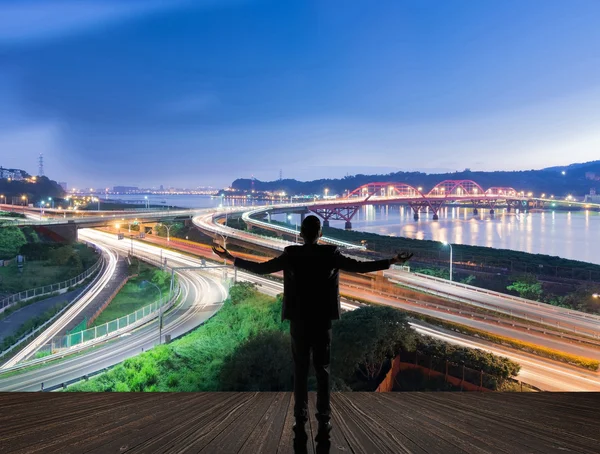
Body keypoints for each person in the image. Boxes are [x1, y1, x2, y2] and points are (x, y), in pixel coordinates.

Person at [212, 215, 413, 441]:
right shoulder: (330, 255)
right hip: (321, 321)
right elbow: (360, 267)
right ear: (320, 234)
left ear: (301, 234)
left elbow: (262, 268)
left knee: (300, 370)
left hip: (299, 321)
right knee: (322, 371)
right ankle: (324, 419)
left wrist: (230, 257)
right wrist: (392, 261)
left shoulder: (291, 255)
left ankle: (300, 418)